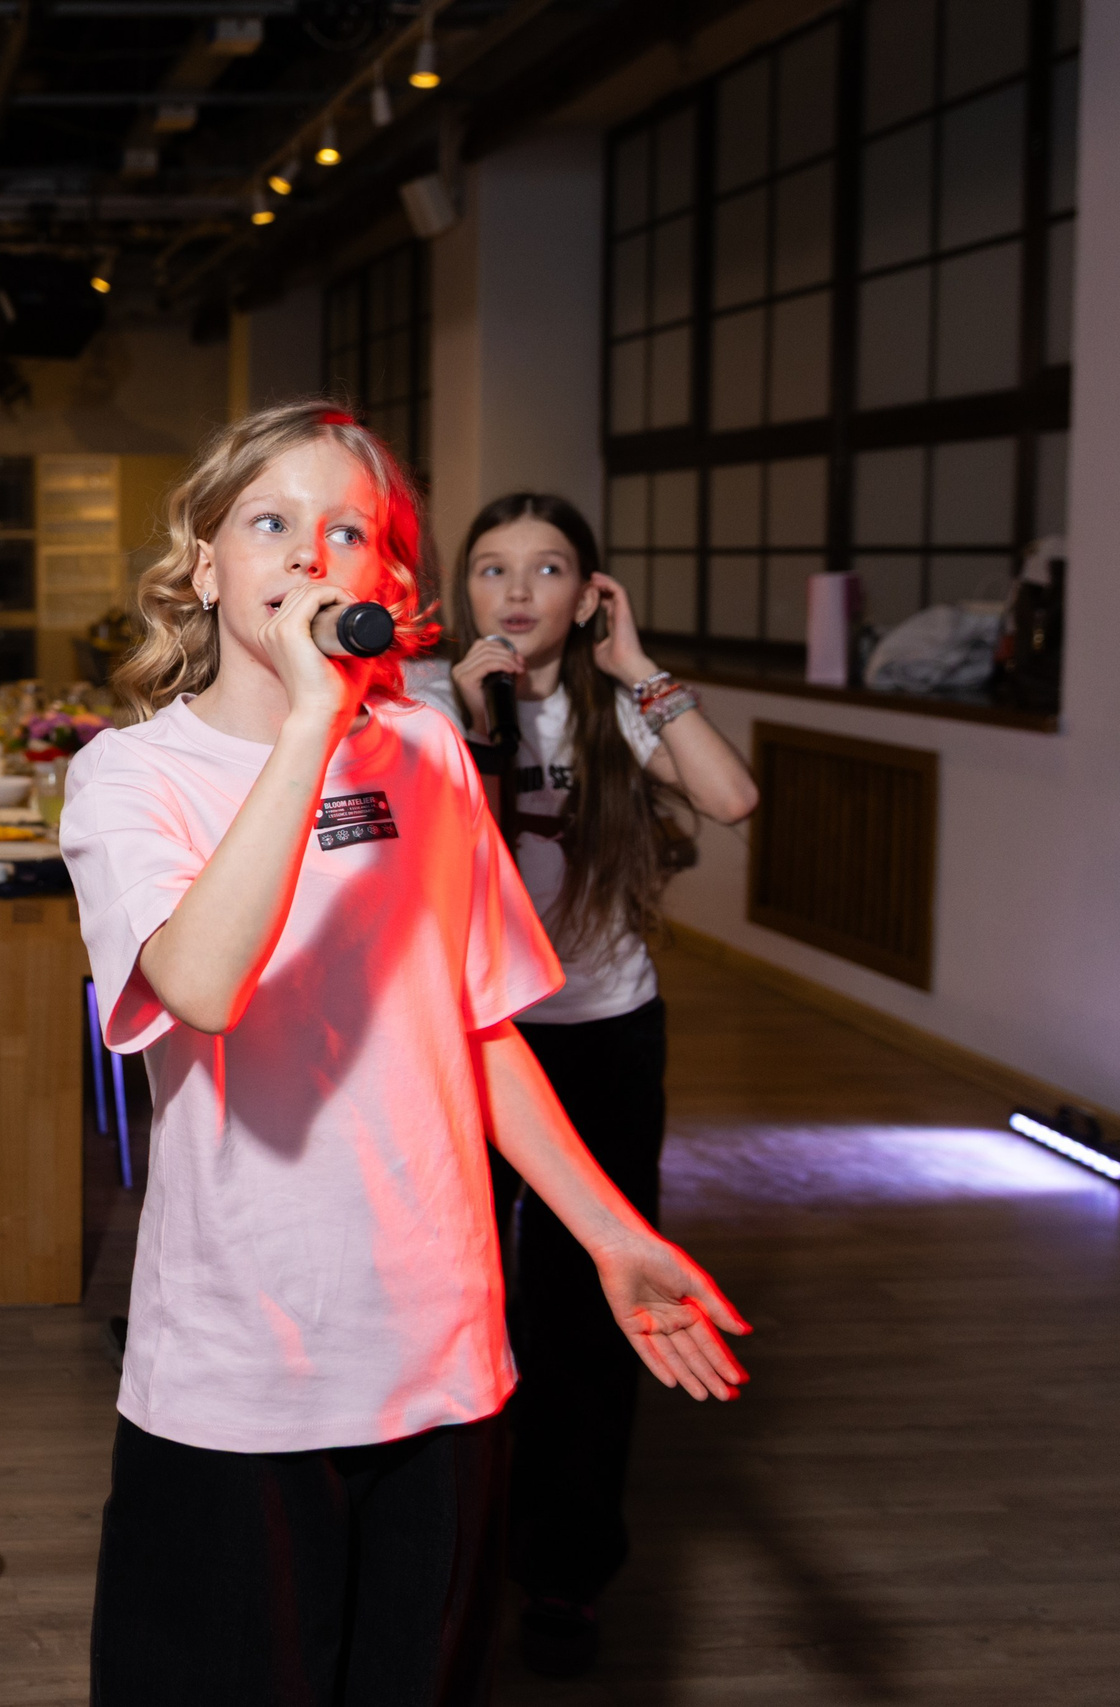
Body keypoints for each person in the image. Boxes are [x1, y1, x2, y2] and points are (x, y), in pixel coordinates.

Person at [58, 401, 750, 1706]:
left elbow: (476, 1021)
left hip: (438, 1343)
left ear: (385, 577)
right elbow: (201, 980)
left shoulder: (429, 751)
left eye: (349, 532)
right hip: (241, 1361)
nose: (312, 556)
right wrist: (312, 728)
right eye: (272, 524)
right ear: (206, 564)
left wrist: (609, 1232)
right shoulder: (129, 778)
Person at [406, 492, 760, 1677]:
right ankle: (445, 1544)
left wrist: (640, 663)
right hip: (464, 1040)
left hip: (604, 1031)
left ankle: (563, 1569)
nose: (516, 591)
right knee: (455, 1296)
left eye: (547, 569)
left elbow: (731, 796)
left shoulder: (619, 705)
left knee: (584, 1317)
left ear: (588, 594)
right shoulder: (419, 700)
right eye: (493, 568)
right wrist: (463, 707)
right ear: (464, 592)